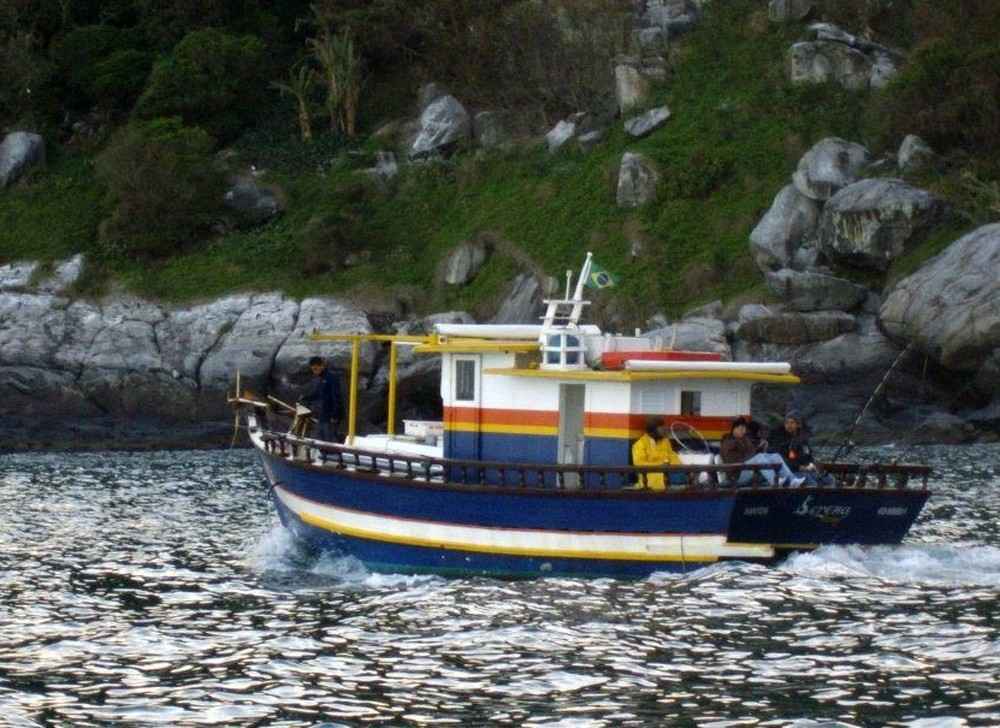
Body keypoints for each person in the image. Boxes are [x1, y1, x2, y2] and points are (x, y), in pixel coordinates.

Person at [719, 416, 804, 487]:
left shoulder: (744, 439)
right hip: (736, 474)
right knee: (759, 457)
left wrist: (760, 449)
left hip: (747, 469)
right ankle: (774, 481)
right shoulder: (728, 442)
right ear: (733, 429)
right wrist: (755, 455)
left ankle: (792, 479)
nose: (743, 431)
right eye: (741, 429)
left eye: (744, 428)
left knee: (775, 456)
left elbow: (751, 453)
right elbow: (733, 460)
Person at [769, 410, 833, 486]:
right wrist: (799, 467)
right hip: (792, 471)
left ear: (798, 425)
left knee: (829, 479)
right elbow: (782, 459)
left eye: (792, 423)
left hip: (806, 469)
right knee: (811, 482)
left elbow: (809, 456)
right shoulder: (781, 440)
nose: (789, 425)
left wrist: (813, 464)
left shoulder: (803, 440)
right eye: (786, 423)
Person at [631, 416, 682, 491]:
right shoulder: (640, 444)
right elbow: (639, 463)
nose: (664, 430)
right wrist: (660, 466)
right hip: (649, 484)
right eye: (661, 428)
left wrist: (676, 467)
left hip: (669, 480)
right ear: (653, 430)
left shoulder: (665, 441)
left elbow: (673, 456)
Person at [300, 356, 343, 442]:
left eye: (316, 369)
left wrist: (335, 414)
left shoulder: (331, 377)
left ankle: (333, 454)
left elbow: (336, 396)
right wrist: (305, 398)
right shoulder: (321, 378)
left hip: (331, 414)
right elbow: (318, 394)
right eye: (313, 369)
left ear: (322, 366)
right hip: (323, 413)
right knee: (321, 436)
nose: (314, 371)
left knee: (330, 438)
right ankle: (324, 454)